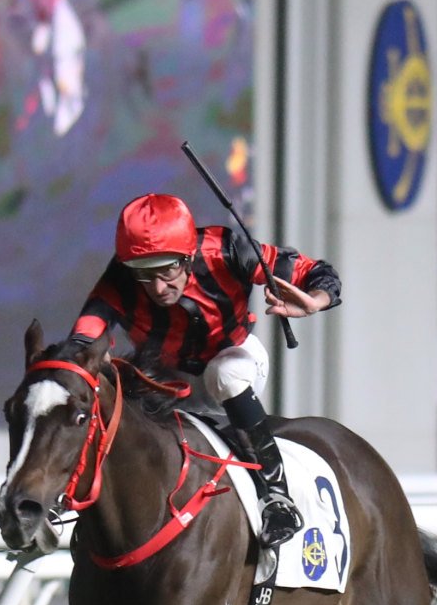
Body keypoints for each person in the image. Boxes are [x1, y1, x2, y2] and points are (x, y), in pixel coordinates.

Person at [65, 193, 340, 546]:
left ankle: (277, 495)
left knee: (224, 374)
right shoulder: (119, 280)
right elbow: (82, 342)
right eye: (143, 275)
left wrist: (315, 301)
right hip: (163, 380)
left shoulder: (226, 251)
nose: (158, 287)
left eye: (167, 269)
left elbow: (316, 272)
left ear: (189, 255)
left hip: (234, 358)